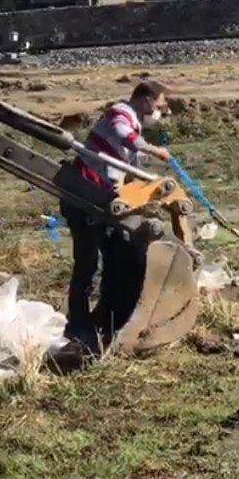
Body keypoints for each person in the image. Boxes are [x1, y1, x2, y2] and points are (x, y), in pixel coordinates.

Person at [61, 81, 172, 356]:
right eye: (159, 106)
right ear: (146, 101)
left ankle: (111, 320)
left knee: (120, 256)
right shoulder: (119, 115)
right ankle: (78, 328)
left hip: (104, 200)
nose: (159, 112)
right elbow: (126, 138)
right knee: (86, 266)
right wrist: (156, 150)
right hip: (85, 198)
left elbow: (130, 171)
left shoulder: (133, 123)